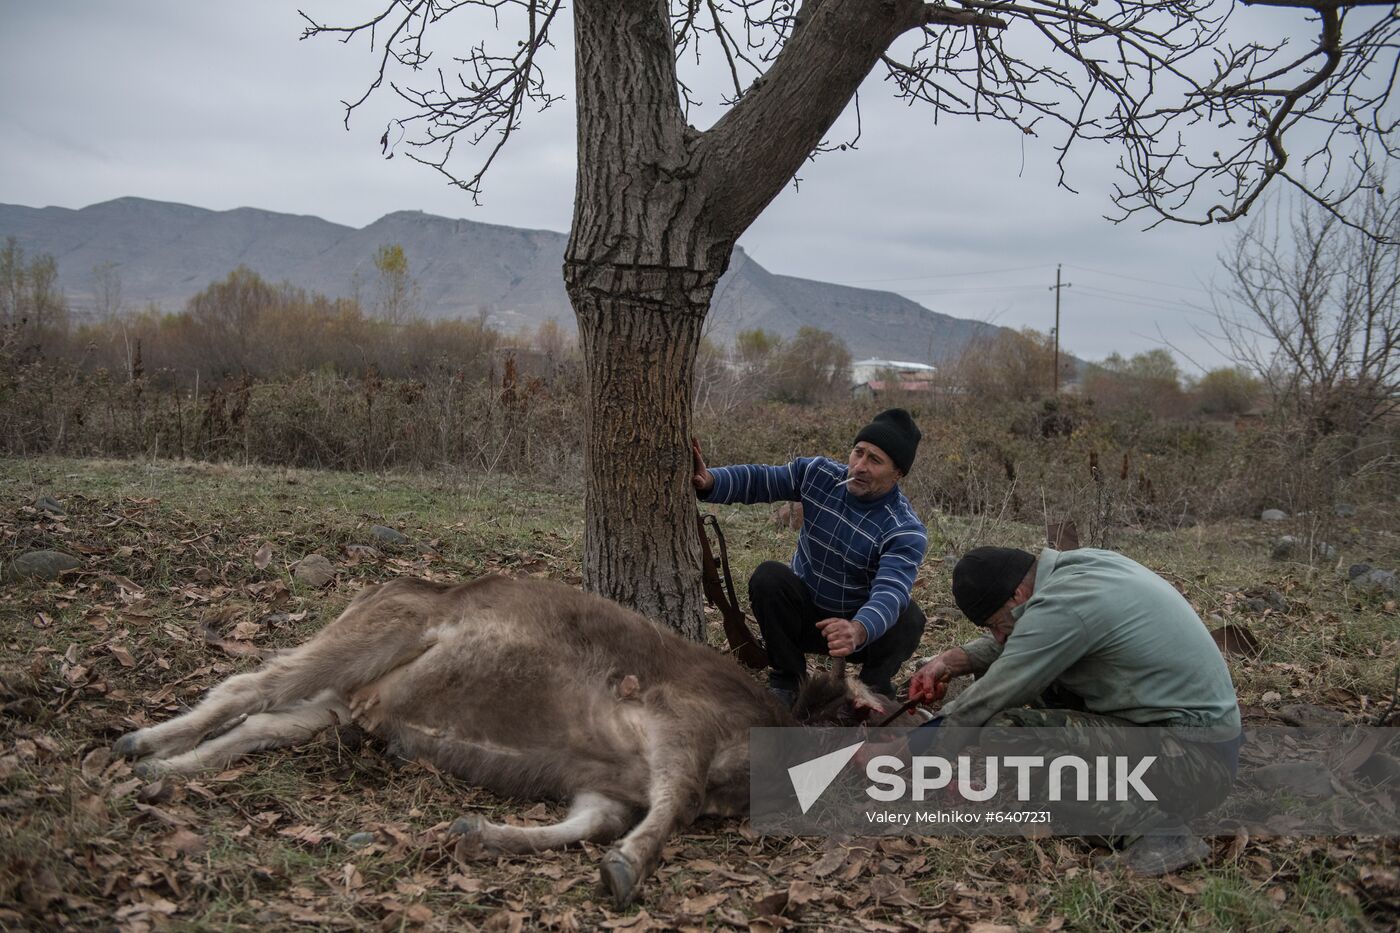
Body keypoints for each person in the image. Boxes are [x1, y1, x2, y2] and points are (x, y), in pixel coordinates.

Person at [907, 545, 1243, 874]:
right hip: (1193, 745)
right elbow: (1031, 638)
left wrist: (909, 749)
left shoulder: (1069, 606)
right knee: (1029, 684)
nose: (997, 637)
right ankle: (1108, 802)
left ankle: (1158, 834)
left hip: (1193, 766)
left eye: (996, 624)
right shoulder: (1078, 571)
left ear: (1019, 596)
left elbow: (990, 695)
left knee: (1005, 730)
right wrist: (950, 660)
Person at [692, 409, 928, 706]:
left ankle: (871, 689)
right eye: (858, 453)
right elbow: (761, 480)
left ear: (898, 474)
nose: (860, 466)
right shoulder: (819, 475)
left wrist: (858, 629)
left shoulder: (904, 529)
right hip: (807, 617)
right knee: (769, 577)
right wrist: (711, 480)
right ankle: (788, 679)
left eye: (875, 460)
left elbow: (890, 592)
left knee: (909, 617)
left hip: (859, 632)